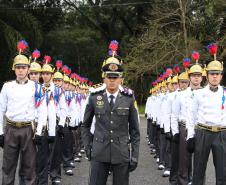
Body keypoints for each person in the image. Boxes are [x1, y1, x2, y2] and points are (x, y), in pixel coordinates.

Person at [81, 41, 140, 185]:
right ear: (104, 77)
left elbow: (135, 130)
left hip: (121, 153)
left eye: (115, 77)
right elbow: (85, 126)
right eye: (109, 77)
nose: (112, 81)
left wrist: (135, 156)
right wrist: (88, 147)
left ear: (121, 78)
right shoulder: (94, 97)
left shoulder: (128, 98)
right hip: (99, 153)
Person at [0, 40, 47, 185]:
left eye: (24, 67)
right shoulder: (7, 87)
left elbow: (42, 110)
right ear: (14, 69)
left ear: (28, 69)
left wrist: (39, 132)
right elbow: (0, 109)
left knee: (29, 167)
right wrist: (0, 132)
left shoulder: (37, 88)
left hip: (28, 129)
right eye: (18, 67)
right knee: (8, 167)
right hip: (11, 129)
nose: (21, 70)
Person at [187, 43, 226, 185]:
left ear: (221, 76)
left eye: (217, 74)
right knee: (198, 171)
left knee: (222, 173)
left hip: (222, 134)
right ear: (207, 75)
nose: (215, 76)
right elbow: (191, 116)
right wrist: (190, 136)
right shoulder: (198, 94)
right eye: (212, 74)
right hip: (203, 133)